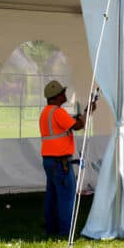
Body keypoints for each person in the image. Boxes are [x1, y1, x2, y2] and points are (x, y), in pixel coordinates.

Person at [39, 80, 94, 237]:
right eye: (62, 92)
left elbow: (67, 125)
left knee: (52, 195)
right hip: (60, 161)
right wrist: (87, 113)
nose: (64, 94)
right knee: (66, 197)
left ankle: (51, 229)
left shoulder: (46, 112)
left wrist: (81, 116)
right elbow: (77, 126)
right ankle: (65, 232)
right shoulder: (58, 112)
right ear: (56, 96)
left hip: (49, 160)